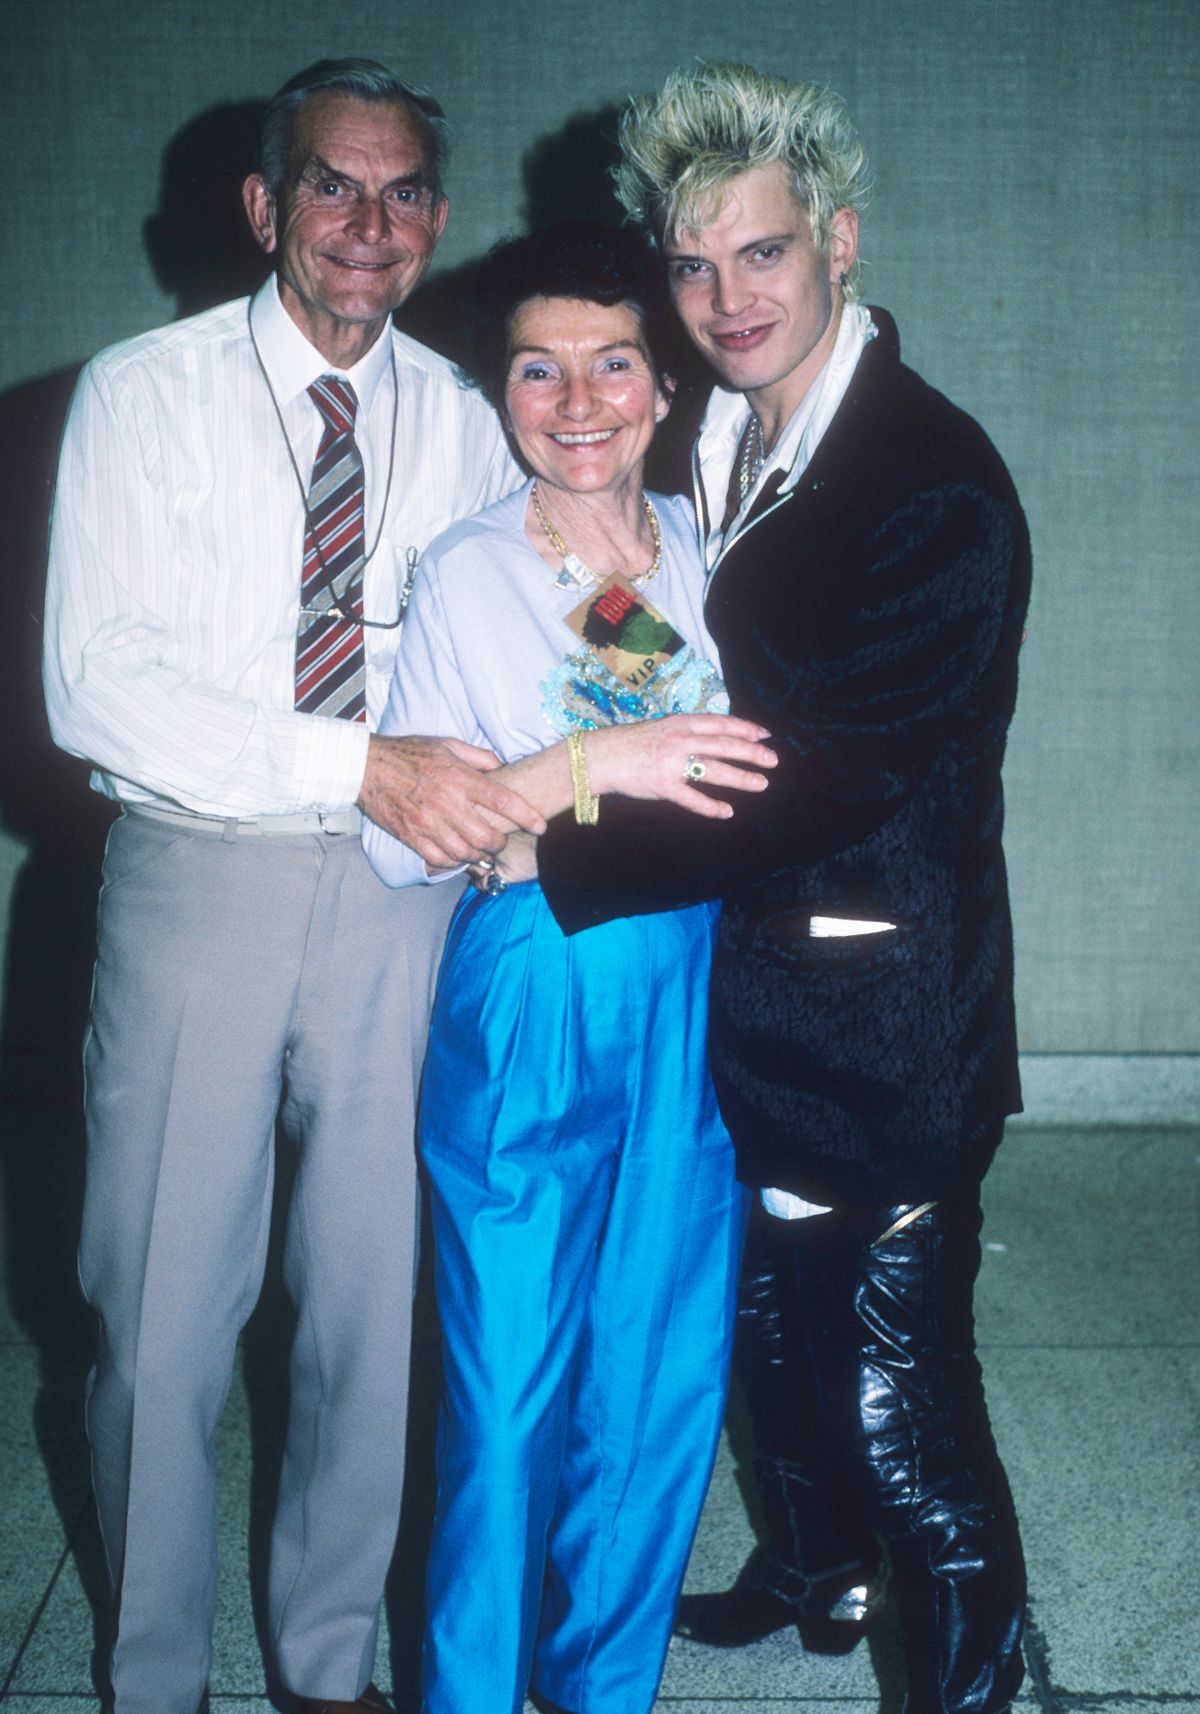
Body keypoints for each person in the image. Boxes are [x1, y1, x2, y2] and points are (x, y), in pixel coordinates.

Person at [523, 64, 1032, 1714]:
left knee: (894, 1388)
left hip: (880, 1008)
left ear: (839, 242)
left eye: (759, 255)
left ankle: (969, 1673)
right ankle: (817, 1569)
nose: (723, 300)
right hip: (739, 992)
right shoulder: (725, 436)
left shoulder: (931, 481)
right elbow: (696, 674)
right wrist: (588, 597)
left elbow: (805, 771)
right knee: (760, 1325)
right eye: (691, 264)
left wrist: (544, 826)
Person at [42, 58, 545, 1714]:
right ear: (266, 205)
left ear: (436, 223)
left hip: (403, 897)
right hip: (203, 877)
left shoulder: (470, 422)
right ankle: (151, 1669)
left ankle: (328, 1662)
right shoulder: (141, 392)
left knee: (366, 1306)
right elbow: (95, 687)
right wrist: (362, 764)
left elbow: (519, 648)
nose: (368, 225)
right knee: (160, 1318)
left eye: (403, 195)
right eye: (333, 185)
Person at [362, 221, 776, 1714]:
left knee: (658, 1377)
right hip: (537, 995)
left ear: (664, 385)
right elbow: (425, 836)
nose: (579, 397)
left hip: (694, 991)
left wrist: (549, 797)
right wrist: (602, 760)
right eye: (541, 367)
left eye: (614, 362)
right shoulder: (470, 567)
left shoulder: (710, 550)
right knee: (507, 1388)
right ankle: (470, 1691)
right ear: (503, 391)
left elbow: (740, 781)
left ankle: (602, 1687)